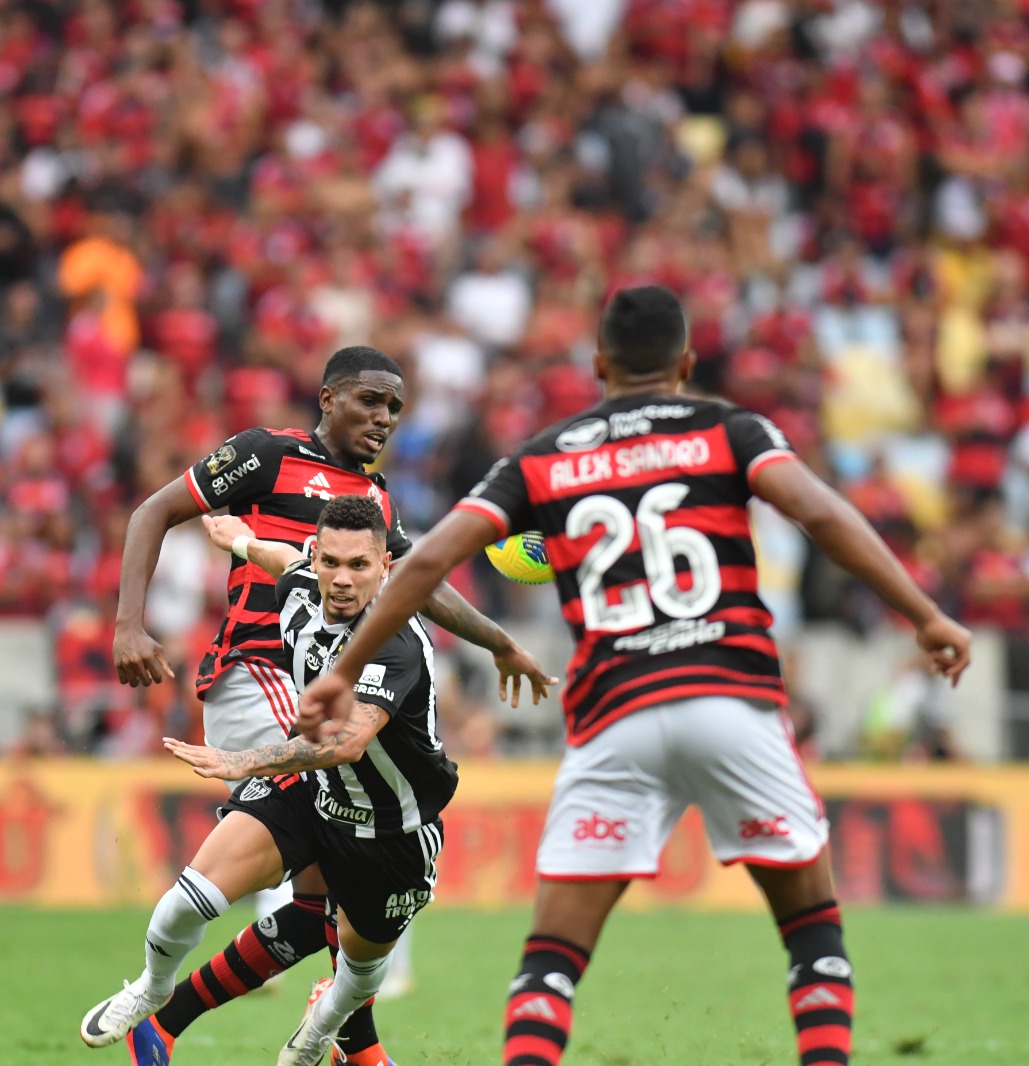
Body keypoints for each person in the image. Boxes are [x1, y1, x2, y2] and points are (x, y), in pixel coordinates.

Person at [299, 286, 973, 1066]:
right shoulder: (732, 430)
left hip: (615, 712)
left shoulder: (546, 456)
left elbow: (431, 557)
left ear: (597, 365)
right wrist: (923, 614)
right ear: (686, 364)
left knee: (552, 955)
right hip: (732, 697)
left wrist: (345, 667)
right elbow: (819, 514)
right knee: (811, 929)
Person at [110, 345, 550, 1066]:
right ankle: (221, 1012)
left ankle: (188, 1025)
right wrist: (129, 622)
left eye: (395, 409)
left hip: (321, 687)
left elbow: (418, 583)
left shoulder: (372, 502)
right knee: (353, 846)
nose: (385, 419)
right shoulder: (264, 455)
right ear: (328, 397)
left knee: (321, 901)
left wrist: (498, 642)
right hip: (261, 676)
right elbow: (154, 510)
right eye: (371, 402)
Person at [82, 496, 495, 1066]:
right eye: (331, 563)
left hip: (390, 830)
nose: (342, 580)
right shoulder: (301, 584)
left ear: (386, 569)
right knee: (185, 901)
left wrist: (244, 762)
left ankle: (321, 1032)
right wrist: (239, 540)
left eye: (359, 565)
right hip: (313, 793)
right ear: (315, 558)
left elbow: (347, 742)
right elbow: (282, 560)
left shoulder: (396, 639)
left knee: (356, 976)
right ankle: (153, 993)